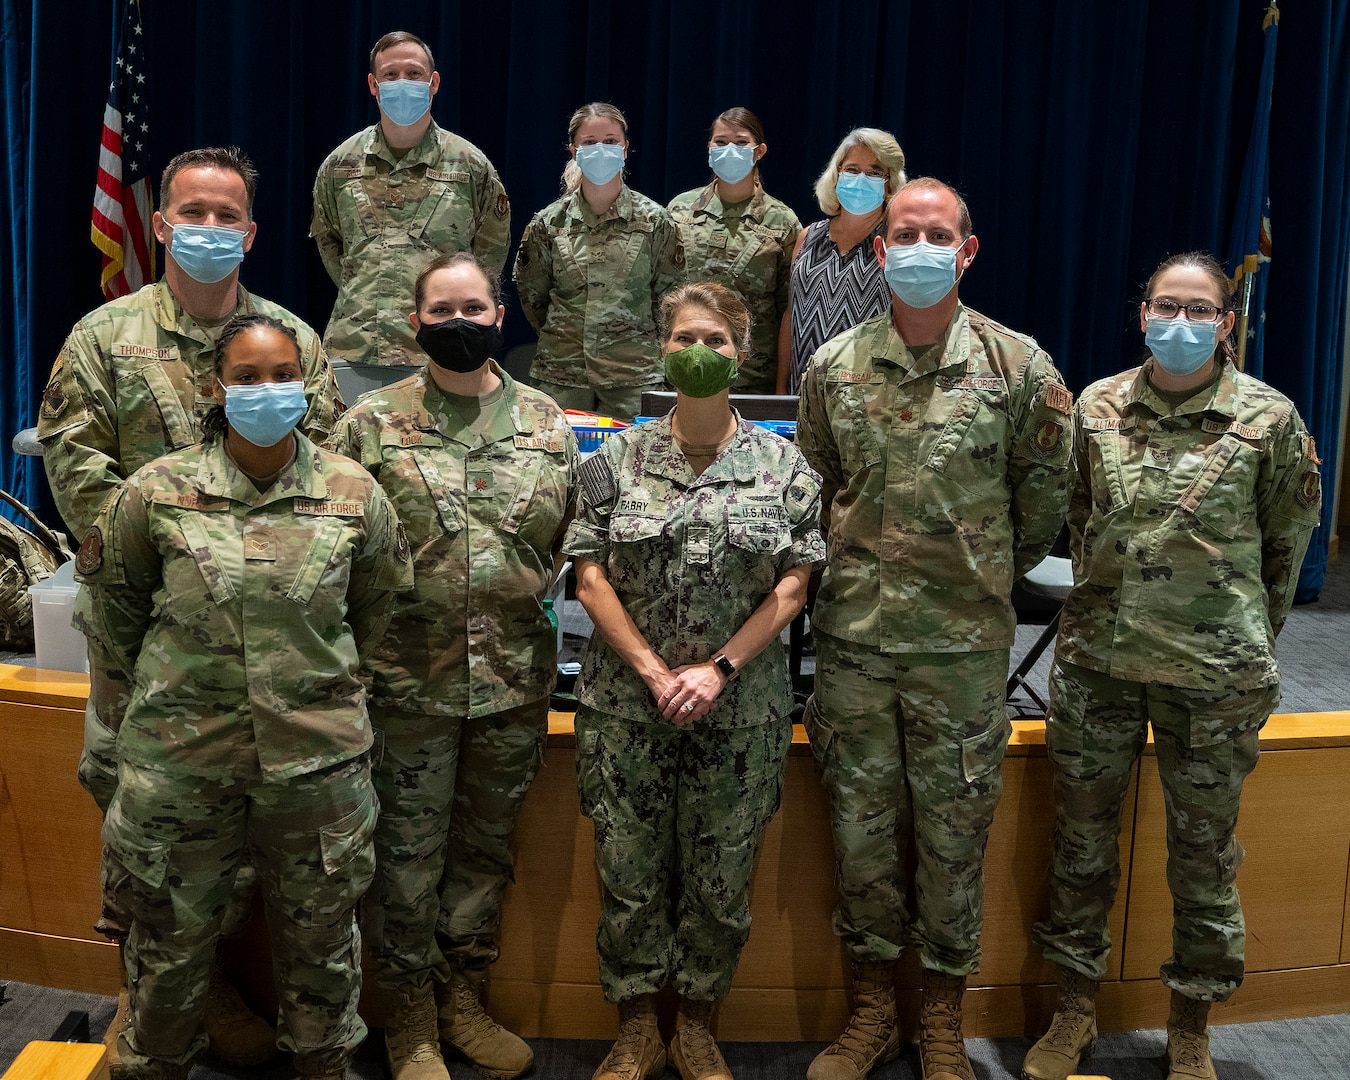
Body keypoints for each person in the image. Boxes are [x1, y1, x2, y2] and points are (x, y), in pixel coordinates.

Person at [36, 144, 343, 1069]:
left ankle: (221, 992)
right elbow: (75, 463)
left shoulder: (295, 339)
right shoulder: (104, 338)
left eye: (228, 215)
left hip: (280, 644)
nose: (210, 228)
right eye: (193, 212)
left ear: (251, 232)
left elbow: (327, 473)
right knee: (149, 838)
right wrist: (170, 562)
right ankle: (174, 997)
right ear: (162, 223)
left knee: (265, 837)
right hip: (151, 644)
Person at [75, 313, 412, 1080]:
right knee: (165, 952)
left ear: (308, 383)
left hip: (316, 770)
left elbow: (378, 609)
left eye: (284, 374)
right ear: (215, 387)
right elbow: (117, 616)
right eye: (249, 376)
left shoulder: (355, 493)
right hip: (181, 766)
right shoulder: (155, 492)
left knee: (324, 952)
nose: (268, 389)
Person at [795, 177, 1074, 1080]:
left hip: (961, 654)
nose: (918, 246)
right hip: (855, 650)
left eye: (937, 233)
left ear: (967, 249)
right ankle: (875, 1009)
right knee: (863, 841)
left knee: (955, 843)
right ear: (880, 252)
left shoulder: (1019, 368)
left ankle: (944, 1019)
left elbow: (1041, 511)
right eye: (903, 234)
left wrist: (973, 574)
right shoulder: (833, 366)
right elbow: (816, 488)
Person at [1022, 253, 1323, 1080]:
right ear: (1142, 312)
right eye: (1165, 305)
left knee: (1204, 853)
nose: (1180, 323)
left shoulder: (1269, 419)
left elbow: (1286, 550)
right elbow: (1075, 521)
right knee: (1080, 845)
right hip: (1098, 667)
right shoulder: (1098, 406)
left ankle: (1191, 1022)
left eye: (1199, 310)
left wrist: (1236, 635)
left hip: (1214, 677)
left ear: (1225, 323)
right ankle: (1073, 1010)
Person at [564, 282, 825, 1080]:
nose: (698, 352)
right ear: (662, 348)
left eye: (715, 339)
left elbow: (795, 583)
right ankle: (639, 1024)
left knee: (722, 875)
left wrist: (716, 671)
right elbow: (588, 575)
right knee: (630, 871)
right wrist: (652, 671)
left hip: (739, 709)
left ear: (741, 353)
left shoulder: (785, 465)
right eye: (684, 337)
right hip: (625, 708)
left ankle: (700, 1024)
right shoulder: (616, 459)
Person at [327, 252, 578, 1080]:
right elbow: (334, 550)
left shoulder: (549, 424)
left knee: (483, 850)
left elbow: (575, 549)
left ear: (501, 316)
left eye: (475, 306)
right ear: (415, 323)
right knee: (404, 856)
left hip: (511, 685)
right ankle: (409, 1021)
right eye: (443, 309)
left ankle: (462, 995)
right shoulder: (370, 424)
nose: (460, 321)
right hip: (406, 685)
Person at [311, 30, 511, 399]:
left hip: (440, 350)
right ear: (373, 84)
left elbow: (489, 255)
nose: (402, 82)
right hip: (355, 347)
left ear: (433, 83)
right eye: (390, 75)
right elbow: (331, 243)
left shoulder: (470, 166)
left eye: (414, 73)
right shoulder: (340, 165)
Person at [513, 102, 683, 422]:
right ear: (573, 150)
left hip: (633, 379)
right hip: (562, 376)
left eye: (610, 141)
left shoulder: (655, 221)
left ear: (626, 148)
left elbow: (671, 300)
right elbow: (533, 297)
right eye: (589, 142)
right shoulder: (548, 224)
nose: (600, 149)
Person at [667, 108, 801, 394]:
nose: (730, 150)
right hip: (686, 370)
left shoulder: (782, 221)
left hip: (753, 377)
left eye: (741, 143)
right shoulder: (679, 210)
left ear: (759, 151)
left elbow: (788, 309)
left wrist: (782, 388)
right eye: (720, 142)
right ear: (709, 148)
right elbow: (662, 292)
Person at [776, 128, 905, 395]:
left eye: (874, 172)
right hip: (801, 395)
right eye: (852, 169)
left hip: (870, 400)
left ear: (889, 184)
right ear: (836, 175)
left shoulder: (897, 244)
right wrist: (780, 390)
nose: (861, 178)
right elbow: (792, 316)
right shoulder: (807, 237)